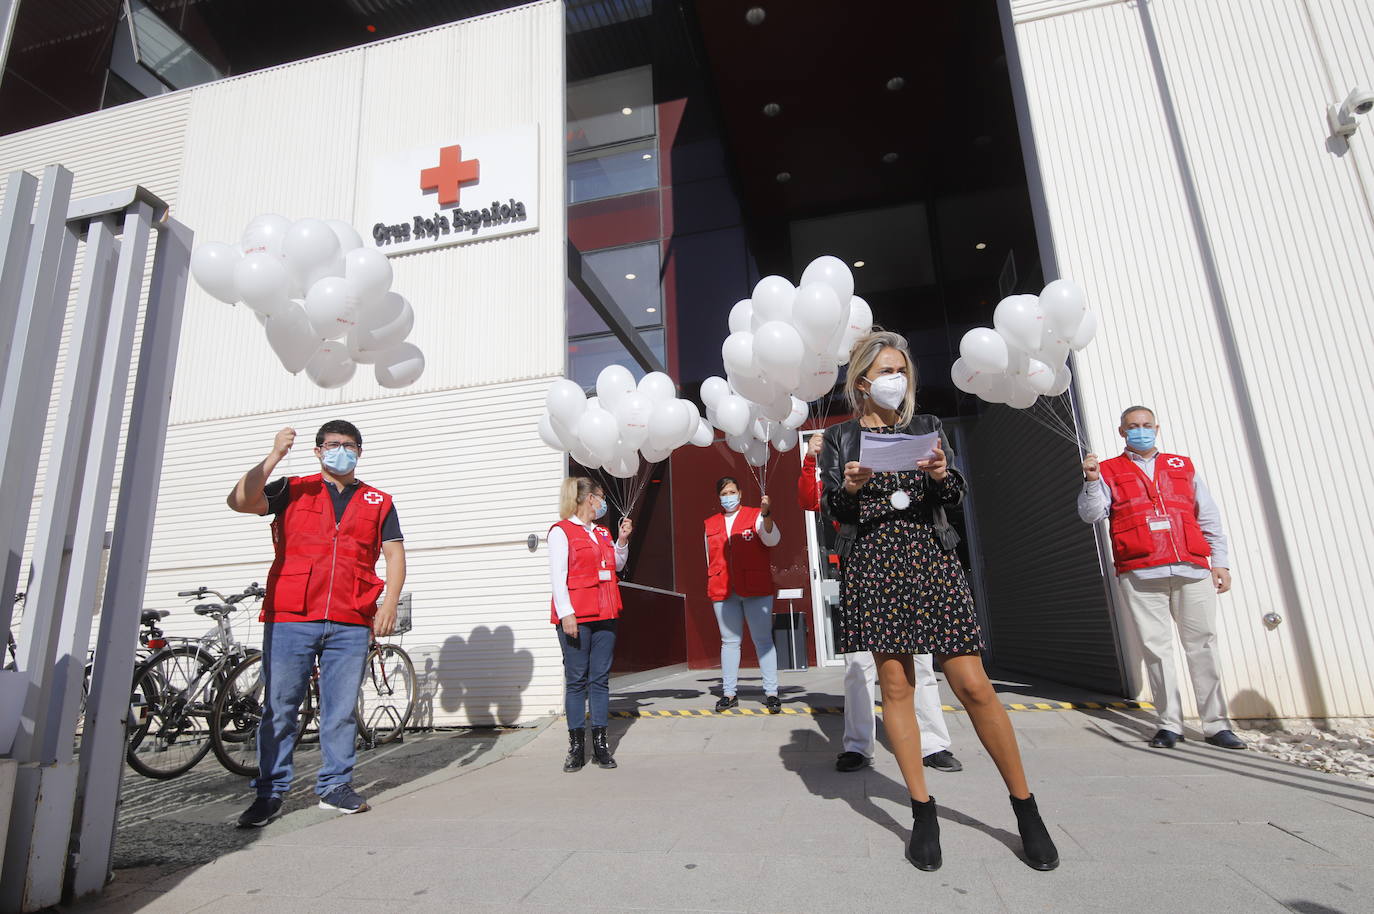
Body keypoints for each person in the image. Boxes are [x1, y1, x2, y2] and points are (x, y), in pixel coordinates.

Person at [820, 330, 1057, 872]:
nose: (896, 380)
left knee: (972, 683)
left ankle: (1026, 809)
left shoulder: (927, 428)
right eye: (885, 371)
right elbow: (834, 511)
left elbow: (955, 497)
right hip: (874, 565)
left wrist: (942, 475)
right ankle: (922, 812)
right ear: (862, 381)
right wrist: (851, 490)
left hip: (930, 559)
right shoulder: (840, 438)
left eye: (901, 370)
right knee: (897, 686)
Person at [227, 420, 406, 827]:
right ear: (317, 450)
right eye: (331, 444)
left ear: (359, 451)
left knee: (341, 710)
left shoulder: (379, 501)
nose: (339, 450)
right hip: (292, 615)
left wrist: (388, 604)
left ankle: (334, 786)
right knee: (280, 708)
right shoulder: (292, 488)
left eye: (348, 445)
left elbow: (394, 555)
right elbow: (239, 501)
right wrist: (274, 456)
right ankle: (269, 792)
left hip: (350, 618)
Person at [1079, 406, 1244, 751]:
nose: (1141, 431)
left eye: (1146, 425)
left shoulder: (1181, 465)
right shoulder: (1108, 470)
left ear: (1157, 427)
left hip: (1191, 567)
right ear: (1121, 432)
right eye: (1133, 427)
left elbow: (1207, 515)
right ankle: (1169, 724)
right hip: (1140, 570)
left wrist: (1221, 563)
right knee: (1157, 650)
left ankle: (1216, 725)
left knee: (1203, 645)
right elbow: (1092, 514)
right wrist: (1091, 481)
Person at [798, 434, 962, 774]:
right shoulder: (841, 446)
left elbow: (943, 494)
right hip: (865, 567)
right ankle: (857, 746)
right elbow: (811, 500)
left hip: (910, 563)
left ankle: (932, 744)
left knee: (922, 661)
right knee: (859, 666)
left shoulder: (913, 438)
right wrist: (811, 460)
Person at [549, 477, 633, 772]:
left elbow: (616, 565)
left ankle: (600, 744)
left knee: (600, 679)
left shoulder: (601, 531)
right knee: (576, 680)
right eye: (600, 498)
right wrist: (566, 613)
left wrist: (621, 541)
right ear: (588, 499)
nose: (602, 503)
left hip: (606, 613)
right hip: (578, 616)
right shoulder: (561, 532)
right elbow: (557, 577)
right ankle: (575, 746)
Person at [704, 477, 781, 713]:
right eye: (724, 493)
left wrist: (767, 515)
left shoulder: (756, 515)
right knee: (729, 642)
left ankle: (771, 693)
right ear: (719, 497)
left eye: (731, 491)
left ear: (740, 493)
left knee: (763, 641)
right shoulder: (710, 523)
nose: (728, 496)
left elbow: (772, 539)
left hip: (755, 587)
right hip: (723, 588)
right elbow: (709, 557)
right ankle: (729, 693)